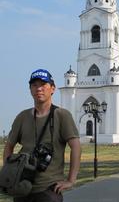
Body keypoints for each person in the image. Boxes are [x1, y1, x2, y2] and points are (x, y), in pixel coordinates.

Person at [3, 69, 81, 202]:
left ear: (52, 89)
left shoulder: (62, 115)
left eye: (43, 84)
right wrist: (9, 173)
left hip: (48, 189)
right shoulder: (22, 117)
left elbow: (76, 147)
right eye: (34, 85)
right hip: (22, 188)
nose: (39, 89)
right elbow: (9, 146)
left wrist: (70, 180)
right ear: (30, 89)